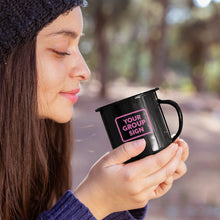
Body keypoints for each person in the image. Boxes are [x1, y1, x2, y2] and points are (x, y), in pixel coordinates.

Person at [0, 0, 189, 219]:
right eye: (61, 50)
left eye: (79, 46)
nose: (85, 71)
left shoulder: (27, 155)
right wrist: (94, 201)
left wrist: (119, 201)